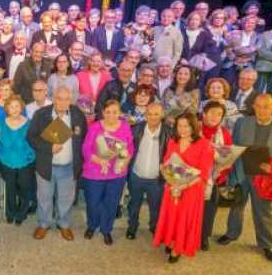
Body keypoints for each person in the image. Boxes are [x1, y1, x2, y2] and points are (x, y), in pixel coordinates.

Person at [218, 94, 272, 262]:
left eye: (266, 106)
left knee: (263, 212)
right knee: (236, 207)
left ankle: (267, 244)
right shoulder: (242, 123)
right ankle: (231, 234)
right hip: (241, 173)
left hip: (265, 179)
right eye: (258, 106)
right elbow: (234, 147)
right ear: (253, 106)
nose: (262, 110)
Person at [27, 87, 87, 241]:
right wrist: (49, 147)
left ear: (71, 100)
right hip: (46, 166)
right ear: (53, 99)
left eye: (66, 99)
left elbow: (83, 137)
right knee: (44, 197)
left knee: (66, 199)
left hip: (69, 166)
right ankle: (43, 224)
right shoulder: (41, 114)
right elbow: (31, 138)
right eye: (59, 98)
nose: (62, 102)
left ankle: (64, 224)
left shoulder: (78, 115)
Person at [153, 112, 214, 262]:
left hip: (191, 189)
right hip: (173, 185)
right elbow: (167, 162)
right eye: (179, 126)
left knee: (183, 218)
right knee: (171, 215)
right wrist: (168, 176)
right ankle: (170, 239)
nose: (182, 129)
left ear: (193, 126)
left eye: (186, 126)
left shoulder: (204, 145)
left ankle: (177, 247)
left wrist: (183, 186)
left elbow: (203, 174)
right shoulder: (173, 141)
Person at [81, 99, 135, 245]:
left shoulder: (125, 127)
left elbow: (129, 148)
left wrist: (124, 162)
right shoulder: (95, 127)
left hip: (116, 173)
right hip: (94, 171)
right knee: (93, 202)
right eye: (108, 112)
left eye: (115, 112)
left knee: (111, 203)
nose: (111, 115)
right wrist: (99, 160)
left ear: (119, 113)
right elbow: (85, 148)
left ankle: (106, 229)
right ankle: (92, 225)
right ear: (103, 113)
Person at [125, 102, 169, 240]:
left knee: (155, 207)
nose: (153, 117)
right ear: (145, 115)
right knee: (134, 204)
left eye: (156, 114)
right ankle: (132, 227)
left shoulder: (169, 132)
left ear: (162, 115)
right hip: (136, 175)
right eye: (149, 114)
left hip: (156, 178)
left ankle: (154, 227)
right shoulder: (136, 129)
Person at [0, 95, 35, 225]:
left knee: (24, 186)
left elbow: (35, 141)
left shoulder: (29, 123)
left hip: (25, 160)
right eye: (11, 107)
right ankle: (10, 212)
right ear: (7, 109)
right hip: (6, 160)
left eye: (17, 106)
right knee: (10, 187)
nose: (14, 109)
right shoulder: (0, 122)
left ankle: (21, 213)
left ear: (21, 107)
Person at [199, 101, 233, 251]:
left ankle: (203, 237)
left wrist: (221, 172)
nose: (215, 116)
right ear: (204, 114)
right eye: (212, 112)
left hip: (213, 177)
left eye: (219, 114)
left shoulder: (224, 133)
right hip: (193, 175)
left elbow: (228, 156)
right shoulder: (194, 128)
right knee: (190, 208)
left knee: (209, 210)